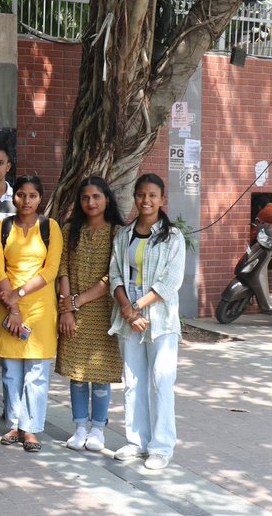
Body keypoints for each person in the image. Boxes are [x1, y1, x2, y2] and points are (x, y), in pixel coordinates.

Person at [109, 174, 186, 472]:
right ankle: (136, 441)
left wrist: (138, 307)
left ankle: (161, 447)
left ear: (162, 199)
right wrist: (128, 311)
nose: (146, 200)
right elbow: (116, 274)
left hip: (160, 317)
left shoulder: (173, 237)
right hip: (129, 314)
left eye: (152, 195)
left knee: (161, 381)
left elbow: (171, 282)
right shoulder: (123, 235)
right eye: (141, 194)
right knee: (133, 381)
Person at [0, 175, 63, 452]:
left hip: (39, 307)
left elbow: (51, 269)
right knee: (11, 372)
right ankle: (13, 423)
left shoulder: (50, 227)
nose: (26, 200)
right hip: (8, 304)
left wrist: (18, 295)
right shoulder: (3, 226)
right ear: (14, 196)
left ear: (40, 198)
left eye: (32, 195)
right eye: (21, 194)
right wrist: (11, 304)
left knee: (36, 372)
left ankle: (31, 428)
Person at [56, 177, 124, 453]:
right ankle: (80, 427)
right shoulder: (70, 229)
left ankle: (98, 429)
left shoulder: (117, 232)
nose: (91, 202)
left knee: (100, 373)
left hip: (104, 312)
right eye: (85, 197)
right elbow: (62, 269)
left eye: (97, 196)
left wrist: (77, 301)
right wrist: (67, 309)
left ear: (107, 199)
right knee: (77, 373)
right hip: (72, 312)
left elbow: (114, 274)